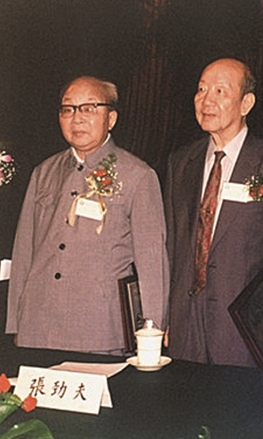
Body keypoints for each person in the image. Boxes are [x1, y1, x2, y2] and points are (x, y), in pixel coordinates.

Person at [6, 76, 169, 353]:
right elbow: (23, 254)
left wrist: (151, 333)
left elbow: (152, 263)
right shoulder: (43, 172)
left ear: (111, 118)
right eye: (68, 109)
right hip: (38, 328)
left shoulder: (138, 176)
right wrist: (16, 323)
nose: (77, 118)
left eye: (89, 108)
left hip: (99, 331)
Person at [164, 58, 263, 367]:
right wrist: (162, 314)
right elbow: (172, 245)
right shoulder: (180, 162)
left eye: (220, 91)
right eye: (201, 89)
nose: (207, 100)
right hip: (185, 318)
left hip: (244, 321)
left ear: (246, 103)